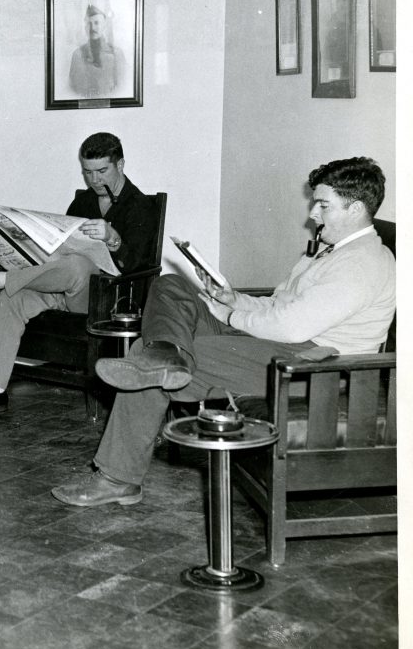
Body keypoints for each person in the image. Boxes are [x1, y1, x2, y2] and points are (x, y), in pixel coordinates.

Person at [51, 157, 396, 507]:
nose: (313, 215)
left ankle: (117, 478)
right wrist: (237, 300)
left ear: (354, 209)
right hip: (280, 339)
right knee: (172, 287)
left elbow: (292, 326)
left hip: (312, 363)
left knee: (146, 354)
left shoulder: (362, 262)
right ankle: (166, 353)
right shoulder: (333, 249)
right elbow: (281, 305)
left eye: (323, 205)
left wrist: (232, 317)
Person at [0, 132, 161, 419]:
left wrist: (113, 238)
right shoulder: (83, 202)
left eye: (102, 171)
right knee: (12, 299)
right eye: (88, 173)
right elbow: (60, 248)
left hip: (105, 301)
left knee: (78, 266)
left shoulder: (141, 207)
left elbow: (137, 265)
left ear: (120, 165)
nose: (95, 180)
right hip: (63, 290)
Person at [68, 3, 128, 99]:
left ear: (104, 25)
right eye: (89, 23)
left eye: (96, 23)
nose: (92, 28)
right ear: (85, 27)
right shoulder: (77, 55)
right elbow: (72, 88)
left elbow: (123, 89)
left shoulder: (117, 54)